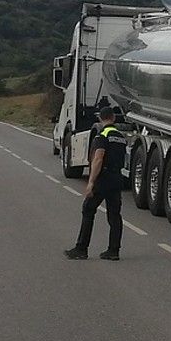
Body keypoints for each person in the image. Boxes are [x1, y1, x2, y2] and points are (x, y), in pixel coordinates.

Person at [64, 107, 127, 261]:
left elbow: (98, 158)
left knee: (88, 209)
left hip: (103, 178)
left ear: (101, 118)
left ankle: (81, 249)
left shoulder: (102, 135)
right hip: (117, 178)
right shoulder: (121, 136)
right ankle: (113, 251)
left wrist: (91, 182)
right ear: (113, 118)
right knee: (114, 216)